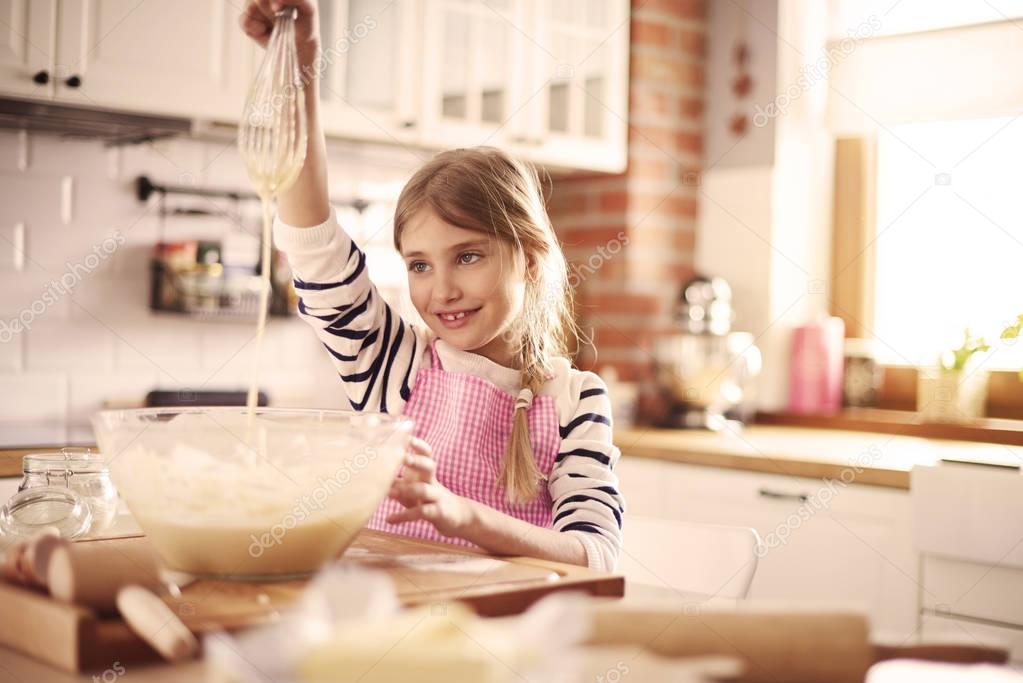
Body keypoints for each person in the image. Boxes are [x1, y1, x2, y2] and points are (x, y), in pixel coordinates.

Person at [240, 0, 624, 571]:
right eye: (419, 265)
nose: (440, 290)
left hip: (506, 639)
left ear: (532, 261)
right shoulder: (393, 365)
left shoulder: (576, 400)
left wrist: (460, 514)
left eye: (467, 256)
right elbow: (314, 245)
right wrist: (301, 67)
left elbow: (596, 554)